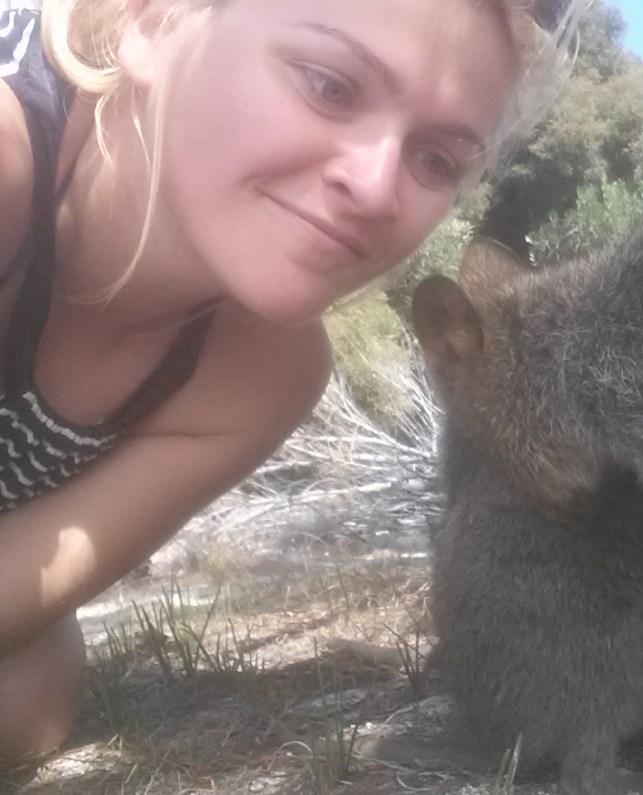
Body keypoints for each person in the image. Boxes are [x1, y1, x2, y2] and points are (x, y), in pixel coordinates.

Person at [0, 0, 583, 768]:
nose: (377, 189)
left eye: (437, 159)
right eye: (328, 85)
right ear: (150, 18)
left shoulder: (263, 374)